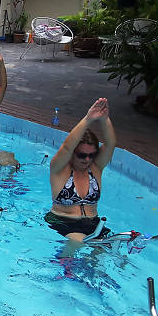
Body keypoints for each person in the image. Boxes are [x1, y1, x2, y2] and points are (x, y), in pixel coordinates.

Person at [46, 98, 115, 241]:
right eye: (82, 155)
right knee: (78, 242)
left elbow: (110, 144)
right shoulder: (59, 169)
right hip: (63, 221)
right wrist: (88, 119)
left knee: (112, 248)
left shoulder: (95, 168)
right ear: (73, 153)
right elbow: (67, 146)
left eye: (92, 155)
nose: (87, 160)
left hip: (93, 222)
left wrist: (104, 119)